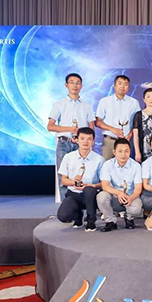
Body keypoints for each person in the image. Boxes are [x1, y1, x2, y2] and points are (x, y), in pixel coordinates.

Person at [47, 73, 96, 201]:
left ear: (81, 86)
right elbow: (50, 126)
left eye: (78, 83)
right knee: (63, 175)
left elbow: (91, 127)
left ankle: (82, 204)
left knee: (83, 173)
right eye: (72, 82)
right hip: (64, 143)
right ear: (66, 85)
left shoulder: (87, 105)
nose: (75, 85)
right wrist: (70, 129)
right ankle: (66, 205)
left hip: (81, 145)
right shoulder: (59, 104)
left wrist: (84, 140)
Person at [56, 127, 104, 232]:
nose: (85, 142)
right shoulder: (68, 157)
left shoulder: (99, 159)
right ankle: (78, 216)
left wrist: (92, 186)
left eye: (89, 139)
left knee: (89, 191)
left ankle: (91, 221)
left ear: (93, 141)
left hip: (91, 195)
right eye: (82, 138)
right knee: (63, 216)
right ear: (76, 140)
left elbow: (103, 183)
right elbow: (63, 180)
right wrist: (74, 182)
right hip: (73, 193)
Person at [97, 138, 143, 232]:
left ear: (130, 152)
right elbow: (105, 185)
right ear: (114, 152)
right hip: (114, 197)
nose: (123, 154)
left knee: (136, 208)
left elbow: (138, 188)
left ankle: (129, 218)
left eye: (126, 151)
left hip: (130, 196)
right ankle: (110, 221)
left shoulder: (136, 166)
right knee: (101, 196)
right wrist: (118, 193)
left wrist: (131, 198)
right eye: (120, 151)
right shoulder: (107, 165)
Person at [95, 75, 141, 160]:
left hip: (127, 141)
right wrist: (112, 129)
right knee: (107, 165)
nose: (122, 86)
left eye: (125, 84)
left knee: (126, 166)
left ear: (128, 87)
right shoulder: (104, 101)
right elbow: (98, 122)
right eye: (120, 83)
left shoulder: (134, 103)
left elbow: (138, 122)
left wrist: (130, 134)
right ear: (114, 86)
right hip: (109, 141)